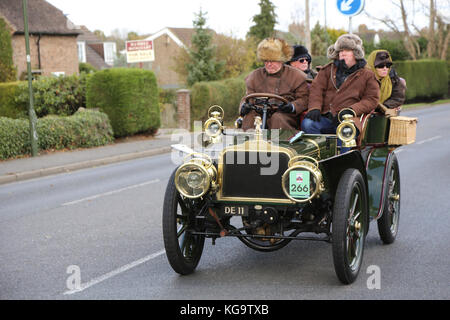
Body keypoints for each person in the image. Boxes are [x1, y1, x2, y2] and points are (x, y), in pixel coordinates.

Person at [301, 34, 379, 137]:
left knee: (346, 133)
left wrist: (351, 110)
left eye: (347, 50)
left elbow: (371, 99)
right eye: (340, 51)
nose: (343, 53)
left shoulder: (367, 75)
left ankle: (343, 153)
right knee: (308, 124)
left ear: (356, 53)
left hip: (349, 119)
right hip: (325, 117)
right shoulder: (327, 70)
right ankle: (322, 152)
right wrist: (315, 107)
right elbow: (316, 90)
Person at [240, 38, 309, 131]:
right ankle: (248, 144)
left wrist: (292, 106)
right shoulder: (254, 76)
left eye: (272, 61)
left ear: (281, 60)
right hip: (259, 112)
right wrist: (244, 106)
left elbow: (304, 99)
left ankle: (279, 144)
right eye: (266, 61)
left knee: (278, 118)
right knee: (250, 117)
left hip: (285, 114)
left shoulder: (297, 76)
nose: (269, 64)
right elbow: (247, 97)